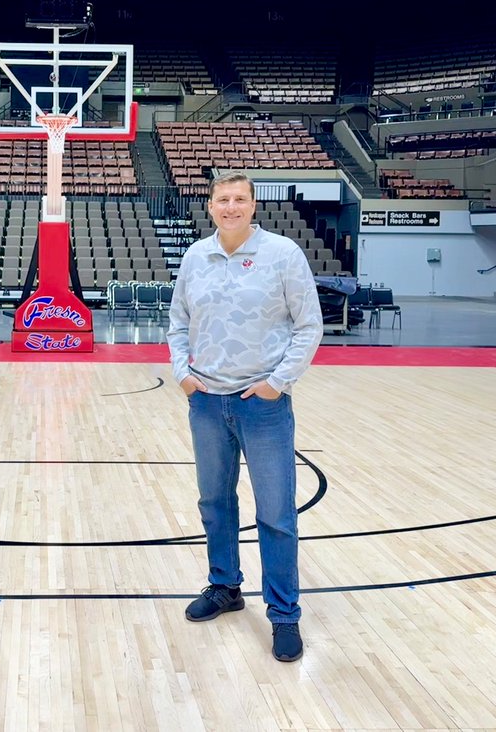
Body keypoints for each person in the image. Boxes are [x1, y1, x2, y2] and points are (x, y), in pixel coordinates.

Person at [167, 171, 323, 662]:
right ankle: (225, 587)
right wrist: (184, 375)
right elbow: (177, 324)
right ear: (210, 206)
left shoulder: (283, 254)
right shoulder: (196, 256)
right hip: (207, 401)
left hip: (263, 405)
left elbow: (309, 326)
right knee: (215, 503)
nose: (230, 207)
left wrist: (277, 384)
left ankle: (283, 614)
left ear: (254, 205)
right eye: (222, 199)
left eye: (239, 199)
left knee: (275, 513)